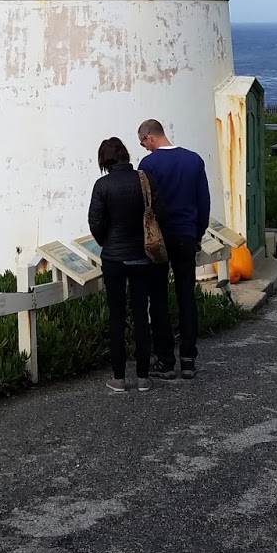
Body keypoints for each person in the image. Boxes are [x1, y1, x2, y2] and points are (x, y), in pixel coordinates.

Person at [88, 137, 170, 394]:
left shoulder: (102, 185)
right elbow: (161, 213)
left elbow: (96, 223)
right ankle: (144, 377)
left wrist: (108, 243)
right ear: (125, 155)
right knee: (140, 316)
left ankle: (119, 378)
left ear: (105, 160)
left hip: (113, 259)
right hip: (142, 258)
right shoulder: (144, 180)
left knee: (117, 318)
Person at [138, 118, 210, 380]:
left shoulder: (149, 164)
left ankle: (166, 362)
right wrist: (198, 232)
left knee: (157, 297)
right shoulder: (194, 160)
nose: (144, 149)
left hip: (160, 239)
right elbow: (204, 202)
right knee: (186, 296)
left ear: (149, 137)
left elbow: (145, 205)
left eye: (143, 143)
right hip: (187, 234)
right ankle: (188, 360)